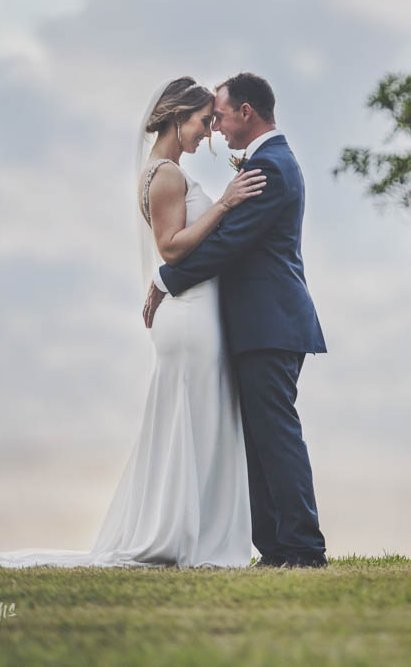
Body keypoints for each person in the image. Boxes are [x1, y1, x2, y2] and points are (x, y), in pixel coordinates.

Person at [0, 77, 264, 568]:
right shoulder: (167, 176)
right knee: (194, 419)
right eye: (202, 122)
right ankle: (187, 536)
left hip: (194, 314)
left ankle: (198, 532)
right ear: (178, 117)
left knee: (198, 421)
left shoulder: (162, 171)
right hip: (192, 317)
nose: (207, 132)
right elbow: (172, 248)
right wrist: (224, 204)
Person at [143, 71, 329, 569]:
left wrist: (166, 280)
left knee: (276, 434)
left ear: (246, 112)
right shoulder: (268, 162)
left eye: (220, 116)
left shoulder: (270, 167)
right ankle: (275, 548)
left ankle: (304, 548)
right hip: (260, 323)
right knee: (261, 436)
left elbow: (228, 244)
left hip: (271, 323)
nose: (216, 129)